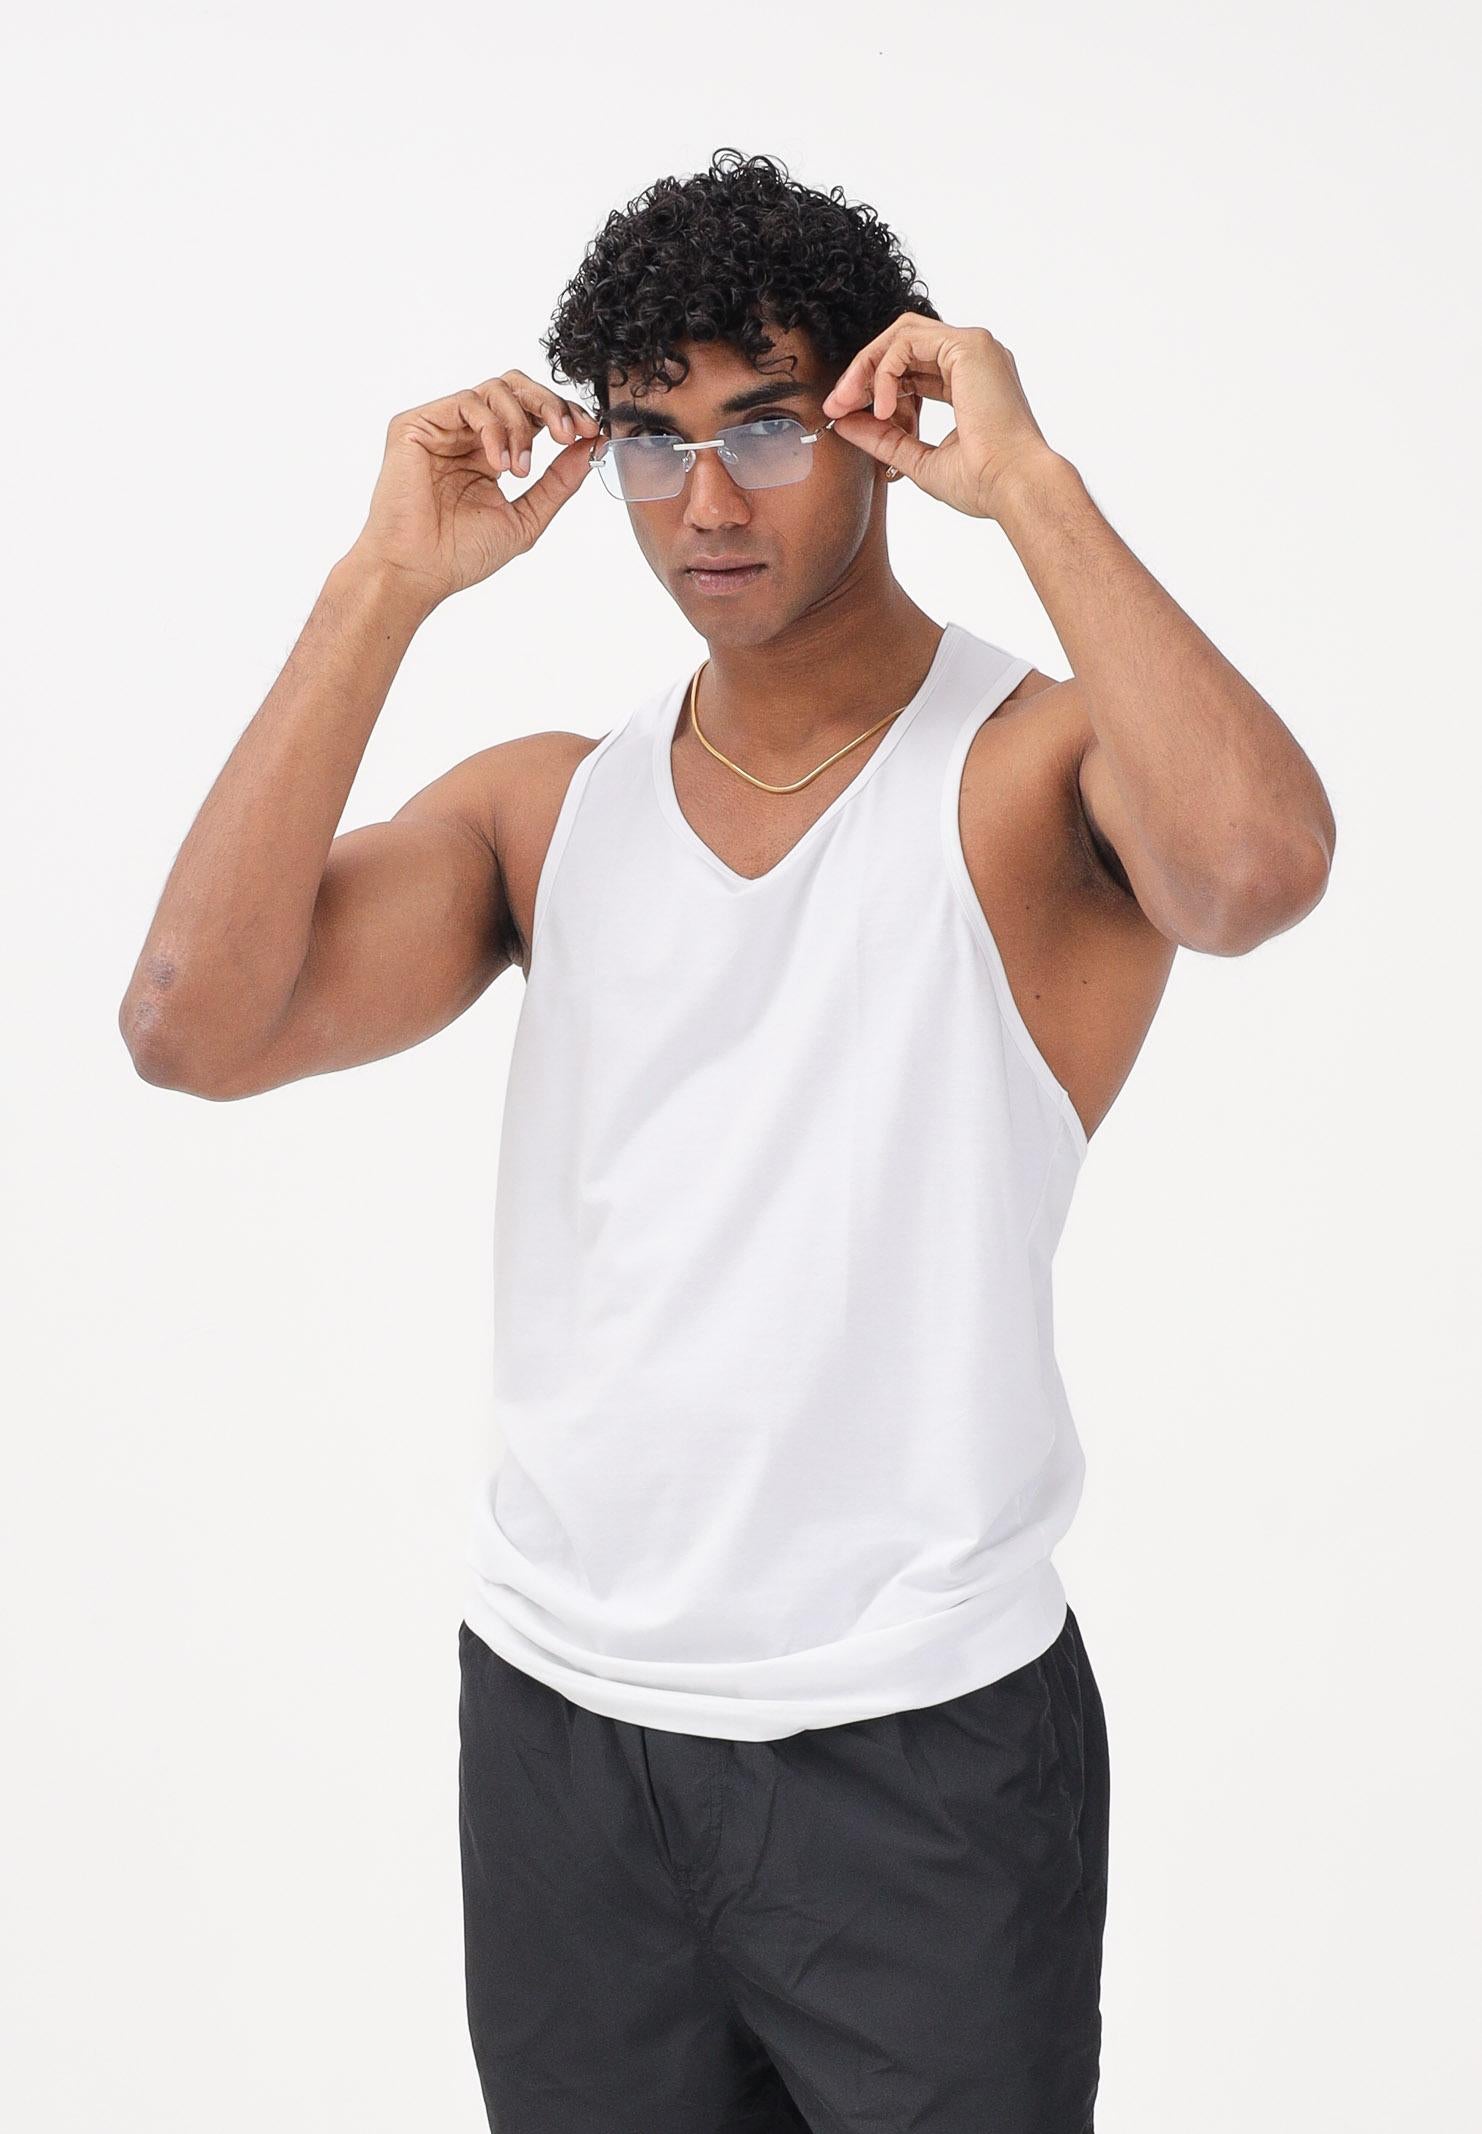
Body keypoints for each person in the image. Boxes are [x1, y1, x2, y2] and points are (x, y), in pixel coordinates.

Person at [119, 148, 1336, 2133]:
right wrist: (379, 587)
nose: (705, 503)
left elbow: (1255, 870)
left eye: (766, 427)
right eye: (651, 441)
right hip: (562, 1735)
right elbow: (190, 1022)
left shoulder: (1031, 770)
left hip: (916, 1745)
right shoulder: (543, 809)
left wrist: (1030, 484)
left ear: (878, 420)